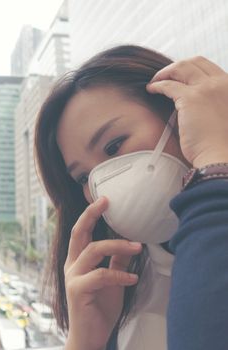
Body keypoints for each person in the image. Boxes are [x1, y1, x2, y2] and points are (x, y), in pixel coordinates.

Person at [34, 44, 228, 350]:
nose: (103, 186)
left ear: (179, 113)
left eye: (113, 147)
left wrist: (215, 160)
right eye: (84, 178)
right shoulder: (117, 291)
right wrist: (85, 342)